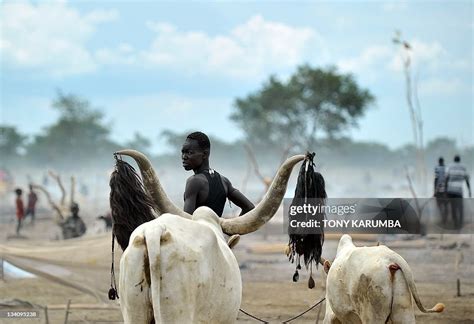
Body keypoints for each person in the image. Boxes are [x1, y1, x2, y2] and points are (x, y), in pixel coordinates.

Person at [181, 131, 255, 217]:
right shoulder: (224, 181)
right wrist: (228, 228)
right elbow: (249, 207)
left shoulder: (194, 181)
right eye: (183, 152)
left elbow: (186, 220)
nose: (184, 157)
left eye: (189, 152)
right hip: (217, 230)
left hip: (199, 230)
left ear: (204, 154)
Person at [445, 155, 471, 229]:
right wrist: (469, 191)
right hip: (459, 191)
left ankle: (455, 224)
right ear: (459, 160)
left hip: (450, 191)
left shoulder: (450, 166)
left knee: (453, 208)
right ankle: (460, 223)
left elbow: (446, 178)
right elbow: (467, 180)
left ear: (454, 160)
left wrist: (446, 190)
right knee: (460, 208)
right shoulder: (463, 167)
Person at [434, 157, 448, 224]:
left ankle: (443, 217)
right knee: (446, 205)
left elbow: (436, 179)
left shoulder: (437, 168)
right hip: (446, 190)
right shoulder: (447, 168)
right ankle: (445, 218)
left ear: (438, 162)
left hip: (439, 190)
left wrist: (435, 190)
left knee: (439, 205)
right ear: (443, 161)